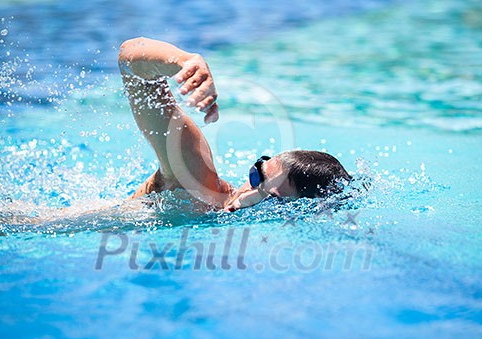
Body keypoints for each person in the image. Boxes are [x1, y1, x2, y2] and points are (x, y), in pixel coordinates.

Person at [118, 37, 351, 212]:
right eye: (256, 174)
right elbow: (128, 57)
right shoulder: (197, 183)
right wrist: (184, 61)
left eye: (271, 198)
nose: (250, 189)